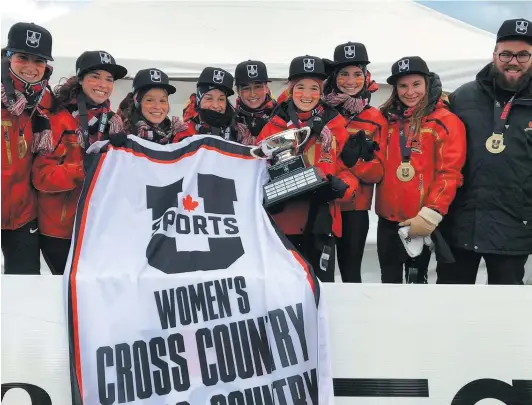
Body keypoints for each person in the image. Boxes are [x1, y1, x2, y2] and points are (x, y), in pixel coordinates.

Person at [437, 18, 532, 285]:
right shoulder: (463, 97)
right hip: (460, 226)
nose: (514, 61)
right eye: (506, 53)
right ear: (494, 54)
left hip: (514, 229)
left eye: (523, 54)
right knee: (450, 308)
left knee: (503, 314)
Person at [257, 55, 359, 283]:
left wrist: (341, 187)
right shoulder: (273, 127)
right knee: (284, 289)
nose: (306, 94)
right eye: (300, 87)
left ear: (321, 91)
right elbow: (258, 171)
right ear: (291, 89)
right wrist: (271, 192)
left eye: (314, 88)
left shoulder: (335, 124)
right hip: (284, 222)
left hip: (321, 223)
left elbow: (346, 172)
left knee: (322, 290)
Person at [31, 50, 127, 275]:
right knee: (68, 295)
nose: (103, 84)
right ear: (80, 79)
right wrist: (84, 169)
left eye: (109, 79)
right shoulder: (56, 119)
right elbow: (41, 177)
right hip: (61, 229)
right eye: (95, 76)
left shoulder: (114, 122)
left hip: (97, 227)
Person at [377, 56, 466, 284]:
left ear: (427, 83)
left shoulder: (445, 121)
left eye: (416, 84)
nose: (410, 92)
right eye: (403, 86)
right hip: (387, 220)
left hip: (422, 221)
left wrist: (430, 213)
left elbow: (451, 172)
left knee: (418, 285)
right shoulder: (387, 119)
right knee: (389, 283)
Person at [323, 42, 385, 283]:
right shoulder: (322, 109)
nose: (351, 80)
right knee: (321, 275)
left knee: (351, 274)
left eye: (357, 74)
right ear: (334, 77)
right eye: (344, 74)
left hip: (355, 210)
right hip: (323, 204)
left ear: (366, 76)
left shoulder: (375, 118)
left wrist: (355, 163)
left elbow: (378, 174)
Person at [1, 22, 54, 274]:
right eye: (23, 57)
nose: (31, 68)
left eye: (39, 61)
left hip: (22, 215)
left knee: (25, 289)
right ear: (8, 56)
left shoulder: (46, 101)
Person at [117, 68, 194, 144]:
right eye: (149, 100)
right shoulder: (120, 134)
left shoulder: (178, 134)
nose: (157, 106)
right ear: (137, 102)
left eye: (162, 101)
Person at [178, 67, 247, 143]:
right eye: (209, 98)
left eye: (221, 99)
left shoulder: (240, 131)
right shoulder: (182, 131)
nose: (215, 105)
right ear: (199, 100)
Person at [234, 60, 277, 144]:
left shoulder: (281, 115)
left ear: (266, 88)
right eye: (246, 88)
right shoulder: (230, 119)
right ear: (238, 91)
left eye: (258, 87)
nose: (252, 94)